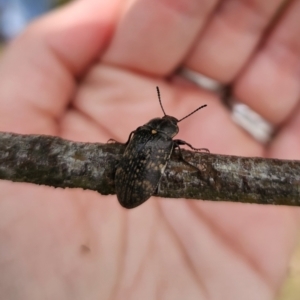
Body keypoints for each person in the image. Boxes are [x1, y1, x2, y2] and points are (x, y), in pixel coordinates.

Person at [0, 0, 299, 299]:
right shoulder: (163, 141)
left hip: (132, 182)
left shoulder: (144, 134)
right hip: (138, 185)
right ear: (171, 134)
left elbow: (136, 141)